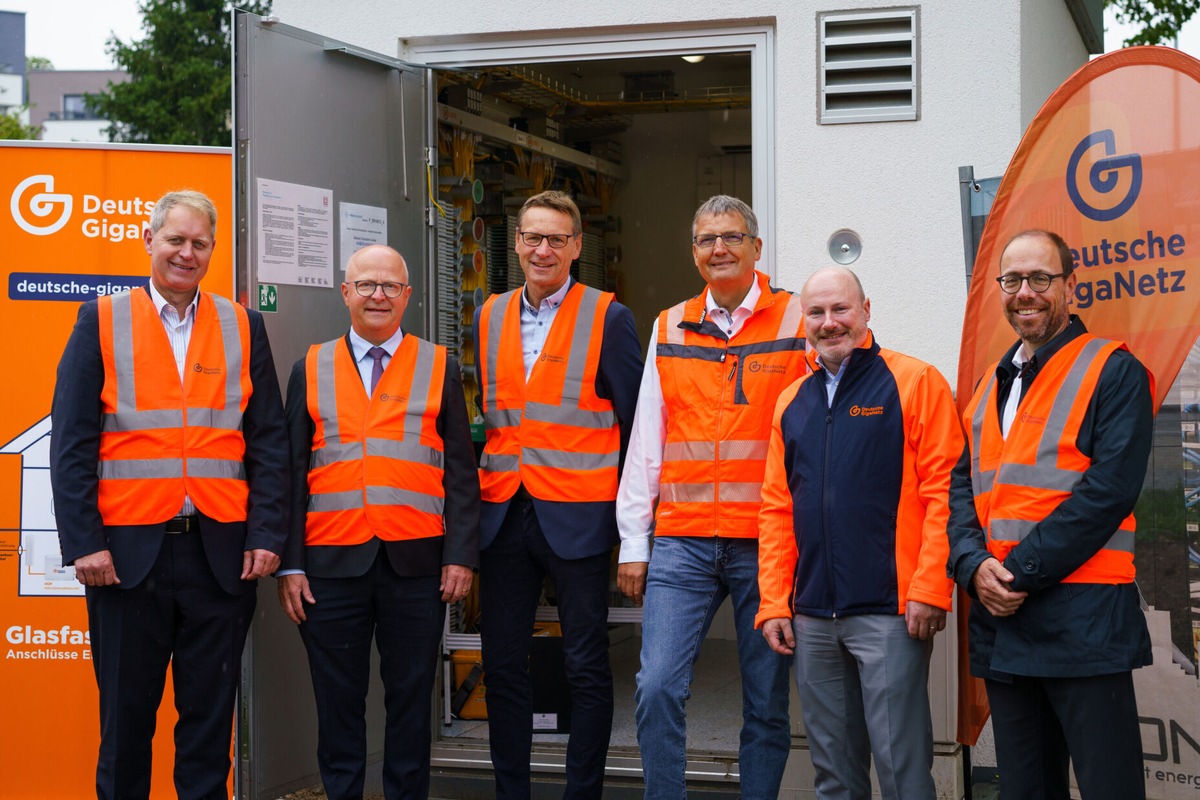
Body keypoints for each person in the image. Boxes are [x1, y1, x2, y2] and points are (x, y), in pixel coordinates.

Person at [49, 190, 289, 800]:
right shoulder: (101, 319)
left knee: (209, 731)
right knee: (126, 728)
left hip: (220, 557)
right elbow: (72, 440)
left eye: (199, 243)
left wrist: (265, 535)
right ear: (148, 241)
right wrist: (84, 544)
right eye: (175, 240)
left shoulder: (242, 324)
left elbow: (267, 441)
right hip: (126, 563)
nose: (187, 253)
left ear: (212, 250)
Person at [947, 229, 1153, 800]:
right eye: (1012, 280)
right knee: (1025, 791)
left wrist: (1013, 576)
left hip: (1082, 622)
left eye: (1040, 278)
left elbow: (1108, 494)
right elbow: (961, 489)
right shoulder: (990, 383)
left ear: (1070, 285)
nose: (1025, 293)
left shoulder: (1113, 371)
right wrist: (970, 565)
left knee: (1109, 787)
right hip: (1005, 620)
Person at [616, 195, 805, 799]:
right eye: (705, 240)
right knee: (657, 687)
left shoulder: (799, 320)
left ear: (756, 246)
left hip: (768, 543)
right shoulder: (670, 325)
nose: (718, 249)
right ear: (694, 252)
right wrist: (633, 541)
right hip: (683, 541)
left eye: (730, 237)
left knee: (767, 701)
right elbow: (648, 436)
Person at [279, 244, 479, 800]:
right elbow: (290, 476)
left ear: (408, 296)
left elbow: (462, 473)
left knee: (411, 702)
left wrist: (461, 554)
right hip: (328, 569)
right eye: (366, 285)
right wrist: (290, 564)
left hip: (416, 566)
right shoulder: (310, 368)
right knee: (337, 703)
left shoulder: (439, 366)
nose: (378, 296)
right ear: (345, 292)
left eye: (390, 286)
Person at [755, 266, 962, 800]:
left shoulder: (915, 381)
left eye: (840, 309)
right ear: (804, 319)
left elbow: (946, 495)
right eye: (817, 312)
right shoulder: (791, 402)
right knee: (834, 775)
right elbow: (777, 509)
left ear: (866, 310)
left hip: (892, 612)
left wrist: (930, 588)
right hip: (813, 616)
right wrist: (775, 602)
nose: (829, 323)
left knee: (902, 772)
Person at [473, 190, 642, 800]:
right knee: (501, 667)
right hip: (502, 516)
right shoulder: (488, 315)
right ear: (516, 243)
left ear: (576, 248)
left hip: (579, 518)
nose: (542, 249)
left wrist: (631, 532)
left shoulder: (609, 317)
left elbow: (634, 427)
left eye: (556, 239)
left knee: (586, 668)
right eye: (532, 237)